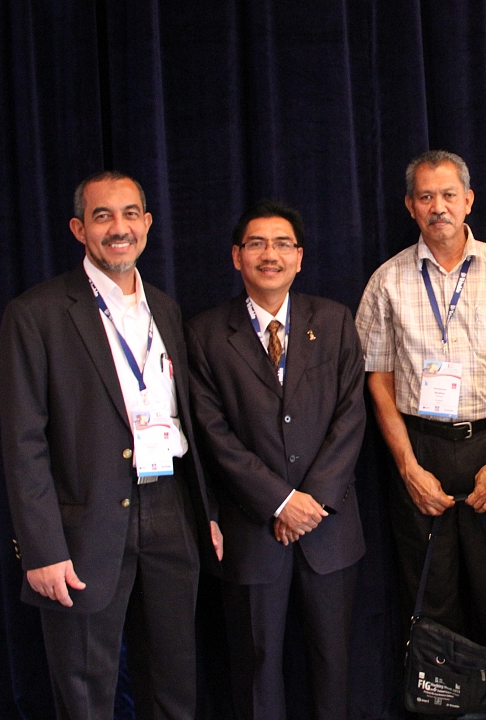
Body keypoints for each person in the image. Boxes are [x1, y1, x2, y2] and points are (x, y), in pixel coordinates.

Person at [0, 170, 222, 720]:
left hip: (170, 509)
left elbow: (185, 418)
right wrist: (42, 548)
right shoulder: (36, 314)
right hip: (85, 523)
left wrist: (206, 512)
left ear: (147, 224)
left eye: (129, 215)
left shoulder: (165, 309)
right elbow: (23, 442)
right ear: (79, 229)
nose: (118, 228)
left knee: (172, 685)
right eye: (102, 216)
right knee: (84, 692)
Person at [355, 150, 486, 719]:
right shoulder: (387, 280)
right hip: (421, 447)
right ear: (410, 207)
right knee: (429, 588)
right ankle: (436, 705)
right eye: (425, 197)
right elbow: (377, 377)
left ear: (468, 201)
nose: (437, 206)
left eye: (447, 195)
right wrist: (408, 467)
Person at [186, 199, 366, 720]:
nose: (271, 255)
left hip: (328, 529)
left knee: (333, 666)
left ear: (300, 257)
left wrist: (312, 502)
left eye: (283, 244)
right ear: (236, 256)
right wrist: (281, 501)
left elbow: (351, 416)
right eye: (257, 244)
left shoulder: (333, 321)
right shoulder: (204, 333)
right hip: (252, 529)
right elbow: (212, 433)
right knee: (256, 669)